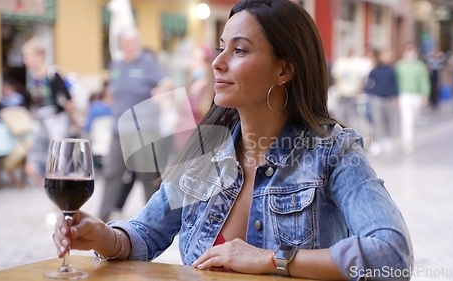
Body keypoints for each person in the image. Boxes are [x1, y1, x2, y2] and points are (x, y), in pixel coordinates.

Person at [53, 1, 413, 280]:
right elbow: (145, 233)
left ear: (284, 69)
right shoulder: (206, 152)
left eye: (239, 51)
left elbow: (391, 254)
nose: (217, 63)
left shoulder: (333, 152)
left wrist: (271, 260)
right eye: (221, 48)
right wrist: (102, 237)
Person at [97, 27, 174, 222]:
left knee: (147, 177)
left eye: (134, 43)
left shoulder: (147, 62)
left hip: (143, 130)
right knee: (112, 173)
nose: (132, 47)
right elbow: (113, 91)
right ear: (121, 46)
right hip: (119, 130)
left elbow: (168, 83)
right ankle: (102, 216)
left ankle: (154, 219)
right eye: (127, 43)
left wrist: (161, 90)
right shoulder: (116, 64)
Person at [21, 37, 78, 187]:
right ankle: (50, 194)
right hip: (41, 122)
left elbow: (68, 101)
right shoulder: (32, 77)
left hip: (57, 122)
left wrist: (73, 120)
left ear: (40, 55)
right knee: (34, 164)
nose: (25, 60)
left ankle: (58, 201)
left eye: (28, 56)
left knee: (58, 164)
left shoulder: (52, 74)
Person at [395, 43, 430, 155]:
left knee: (414, 119)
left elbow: (424, 80)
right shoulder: (400, 66)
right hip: (404, 95)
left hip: (417, 95)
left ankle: (413, 139)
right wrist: (395, 96)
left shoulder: (420, 66)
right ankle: (407, 142)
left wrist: (425, 94)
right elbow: (395, 81)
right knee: (406, 119)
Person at [365, 48, 399, 156]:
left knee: (389, 120)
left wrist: (396, 97)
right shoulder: (374, 71)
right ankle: (378, 143)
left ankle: (387, 140)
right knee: (377, 121)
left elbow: (395, 84)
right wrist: (369, 94)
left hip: (389, 98)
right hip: (377, 98)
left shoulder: (391, 70)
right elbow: (369, 85)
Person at [424, 46, 446, 110]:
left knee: (436, 89)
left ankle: (436, 102)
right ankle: (431, 102)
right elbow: (427, 64)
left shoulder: (441, 57)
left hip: (437, 74)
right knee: (431, 88)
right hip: (431, 74)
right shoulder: (429, 57)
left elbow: (442, 66)